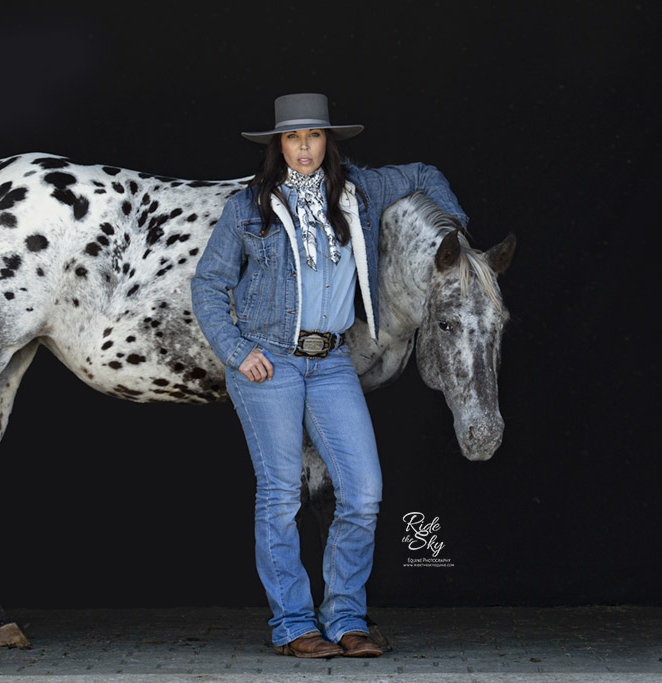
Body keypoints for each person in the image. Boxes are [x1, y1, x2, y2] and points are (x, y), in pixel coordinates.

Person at [190, 93, 469, 659]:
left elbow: (423, 174)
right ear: (278, 145)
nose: (303, 149)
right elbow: (208, 285)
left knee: (363, 491)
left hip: (332, 362)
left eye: (313, 137)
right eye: (292, 138)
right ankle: (294, 625)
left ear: (328, 142)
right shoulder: (248, 208)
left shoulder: (358, 193)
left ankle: (345, 618)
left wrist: (455, 236)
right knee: (279, 496)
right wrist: (236, 350)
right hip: (269, 360)